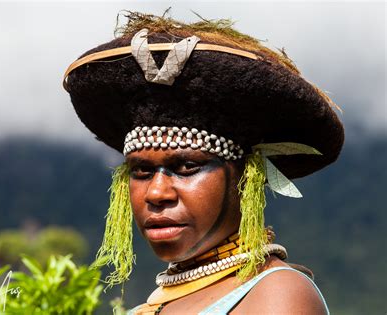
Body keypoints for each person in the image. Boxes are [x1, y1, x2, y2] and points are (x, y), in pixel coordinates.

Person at [62, 11, 343, 315]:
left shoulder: (276, 297)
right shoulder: (155, 304)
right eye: (141, 171)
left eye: (187, 168)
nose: (156, 194)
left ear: (246, 179)